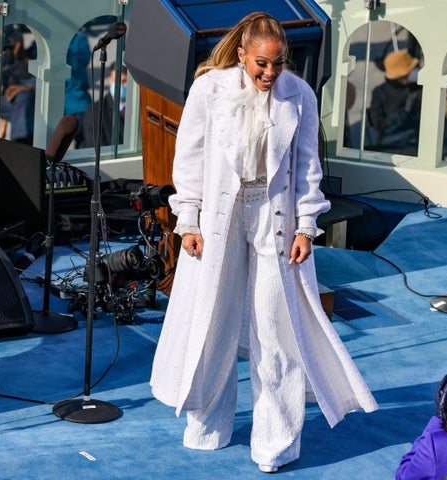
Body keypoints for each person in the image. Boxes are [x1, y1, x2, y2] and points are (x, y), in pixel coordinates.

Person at [149, 12, 378, 474]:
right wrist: (188, 220)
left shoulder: (300, 95)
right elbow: (188, 158)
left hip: (276, 218)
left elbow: (308, 167)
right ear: (241, 55)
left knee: (277, 331)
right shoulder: (209, 90)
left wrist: (305, 227)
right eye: (261, 65)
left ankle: (275, 443)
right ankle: (207, 426)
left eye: (278, 64)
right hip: (220, 217)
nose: (270, 74)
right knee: (213, 320)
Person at [367, 49, 422, 156]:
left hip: (416, 140)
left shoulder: (416, 88)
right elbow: (378, 123)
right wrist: (402, 114)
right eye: (410, 71)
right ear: (401, 75)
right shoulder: (380, 92)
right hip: (393, 145)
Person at [82, 61, 127, 148]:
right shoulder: (95, 112)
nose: (120, 85)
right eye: (116, 80)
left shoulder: (139, 108)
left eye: (124, 81)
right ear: (110, 80)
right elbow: (94, 148)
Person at [64, 30, 93, 148]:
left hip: (76, 99)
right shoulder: (50, 38)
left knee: (84, 139)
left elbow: (80, 62)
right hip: (55, 99)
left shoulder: (79, 39)